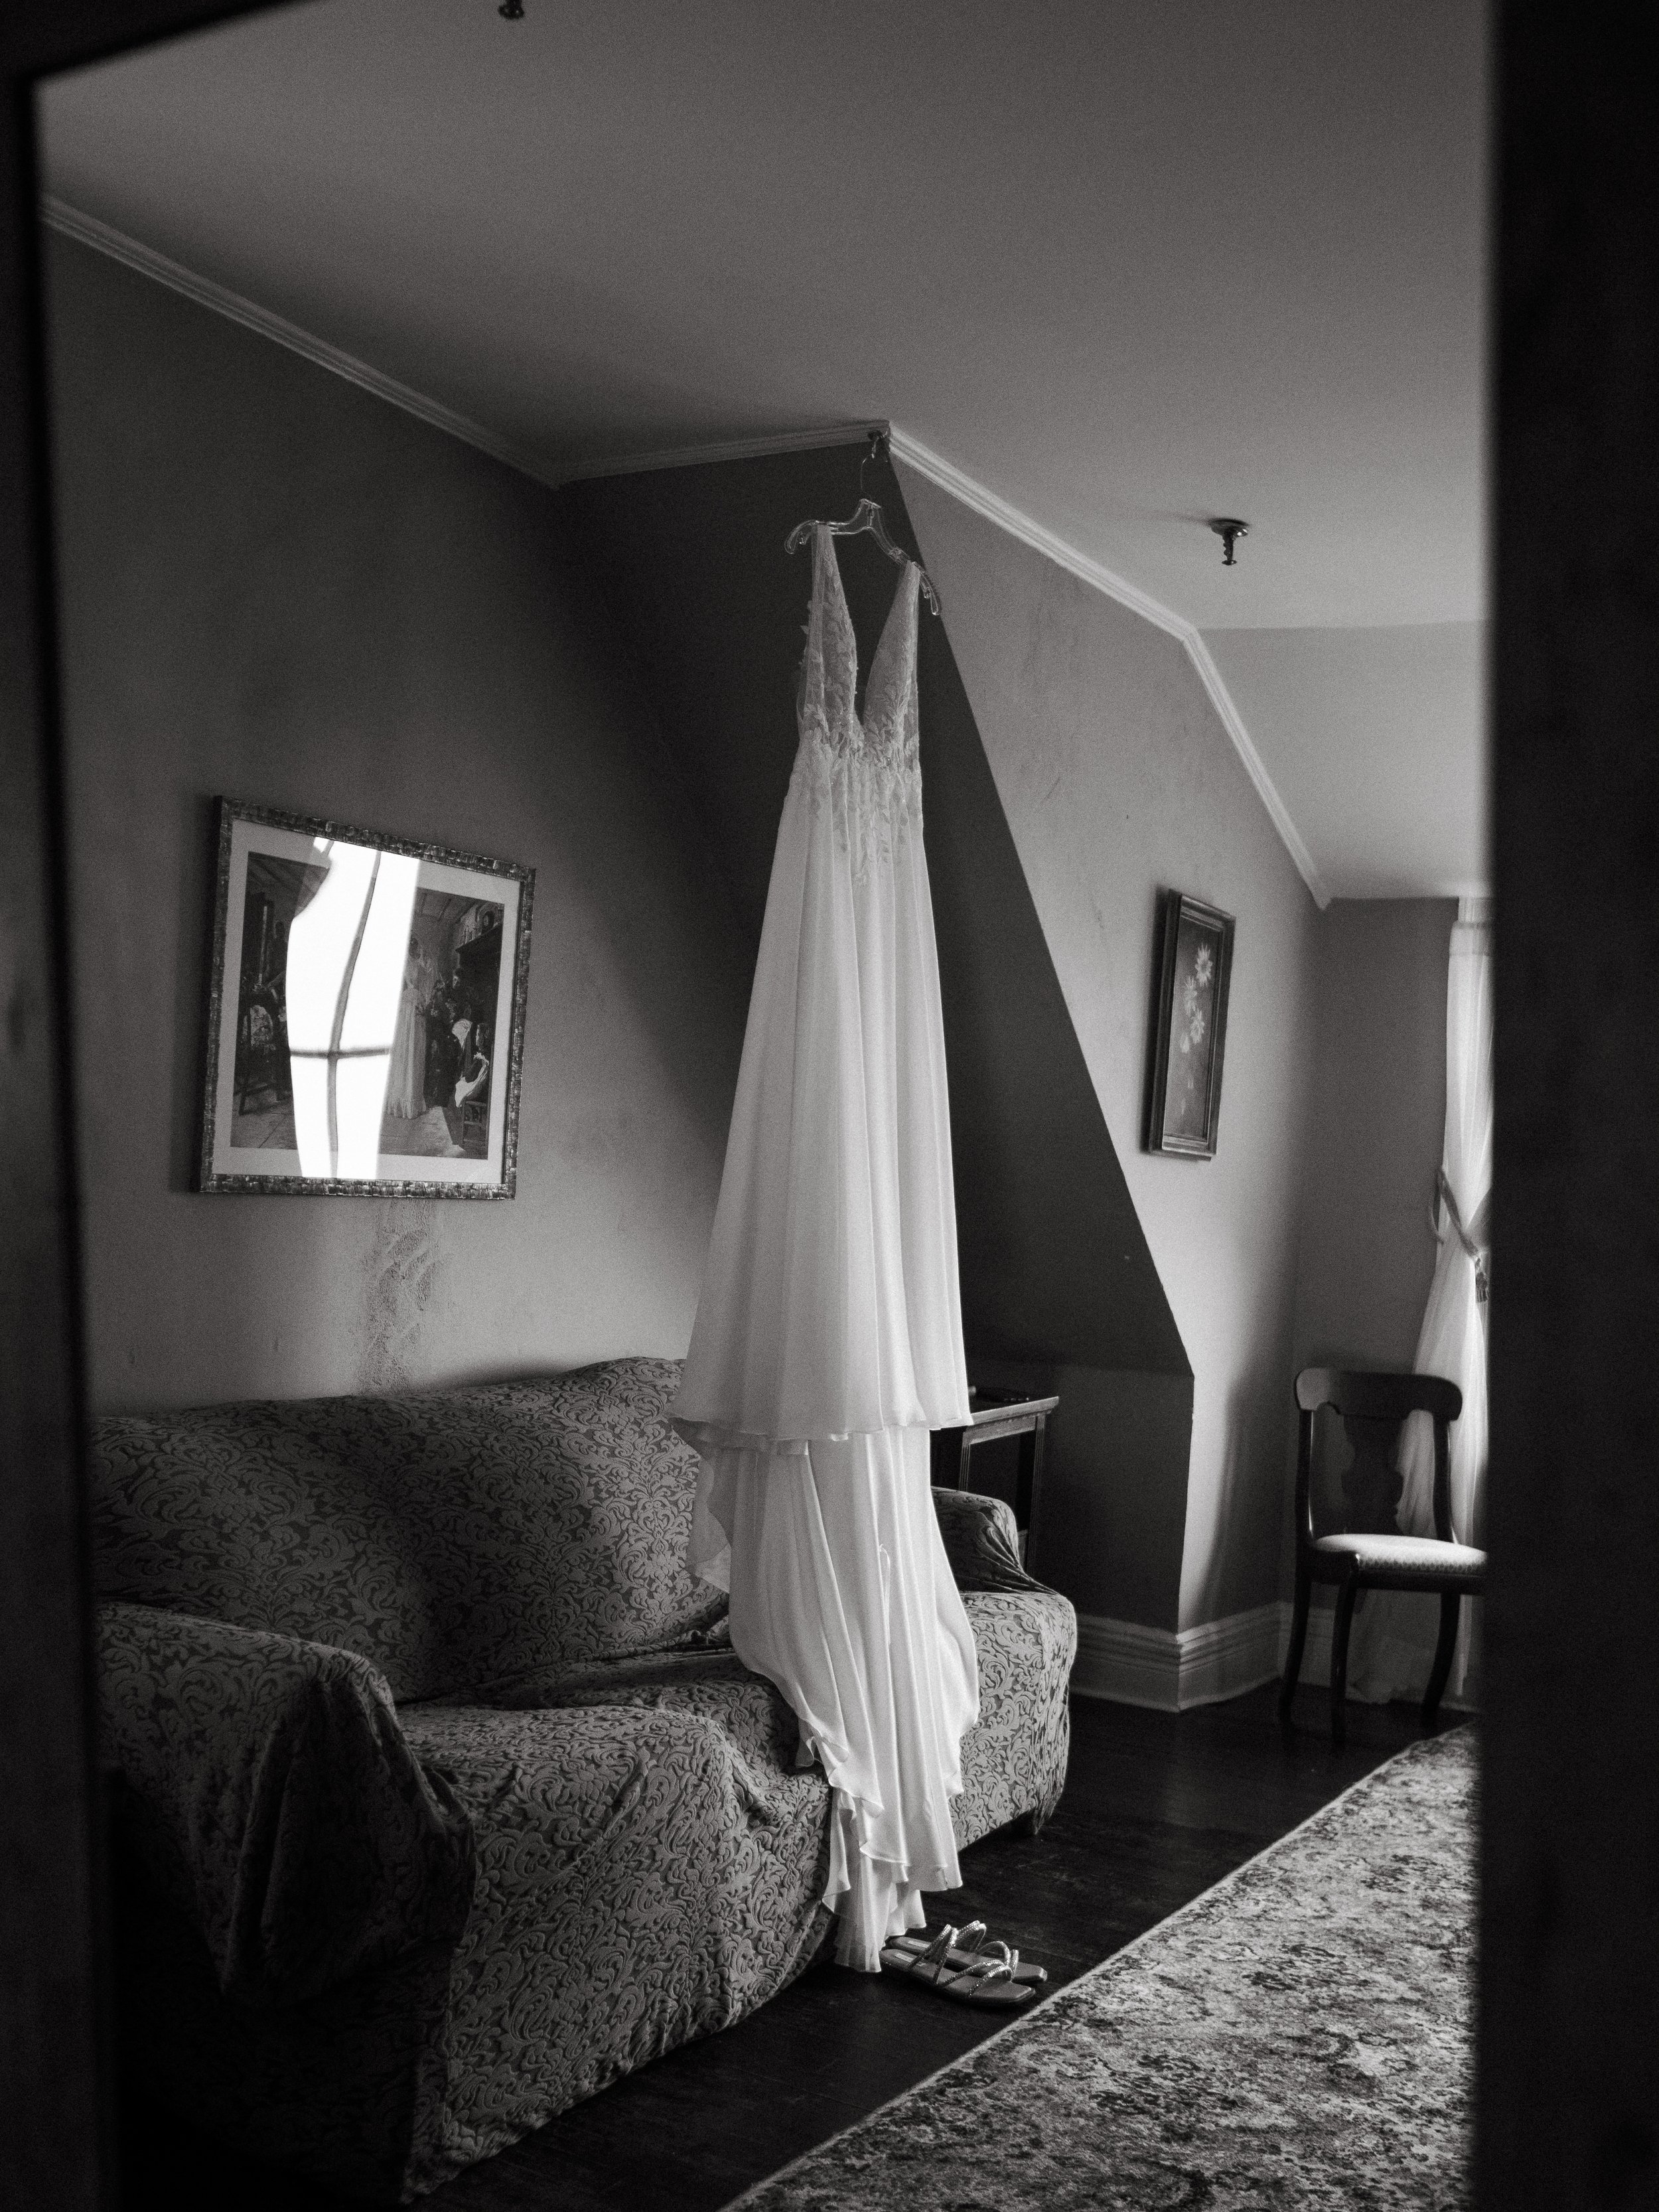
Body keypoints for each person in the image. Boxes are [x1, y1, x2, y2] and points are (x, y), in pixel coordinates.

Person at [386, 934, 435, 1118]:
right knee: (405, 1049)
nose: (412, 947)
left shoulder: (421, 962)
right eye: (410, 944)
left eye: (414, 944)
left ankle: (412, 1097)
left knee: (416, 1050)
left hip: (418, 1004)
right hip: (408, 1004)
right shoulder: (404, 962)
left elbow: (430, 975)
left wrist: (425, 1003)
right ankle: (401, 1099)